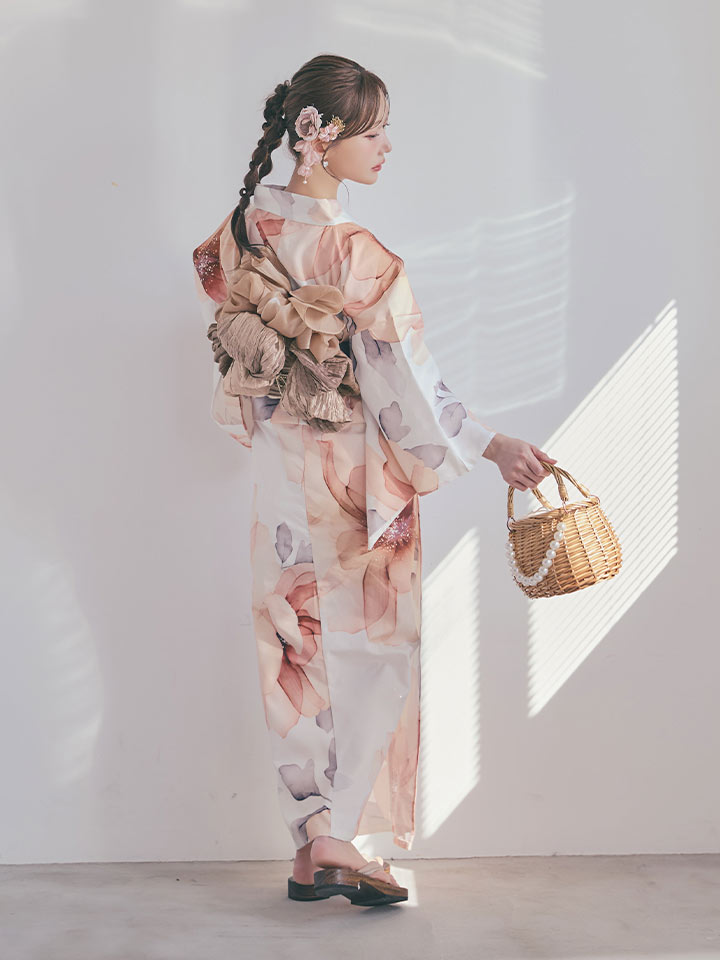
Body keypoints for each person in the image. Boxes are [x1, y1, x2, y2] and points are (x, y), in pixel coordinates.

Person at [192, 54, 557, 907]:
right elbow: (405, 381)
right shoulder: (354, 252)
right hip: (353, 475)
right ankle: (341, 839)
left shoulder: (241, 230)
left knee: (294, 641)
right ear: (318, 139)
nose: (387, 147)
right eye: (375, 131)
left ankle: (313, 836)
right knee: (374, 647)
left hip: (283, 474)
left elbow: (219, 294)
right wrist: (491, 444)